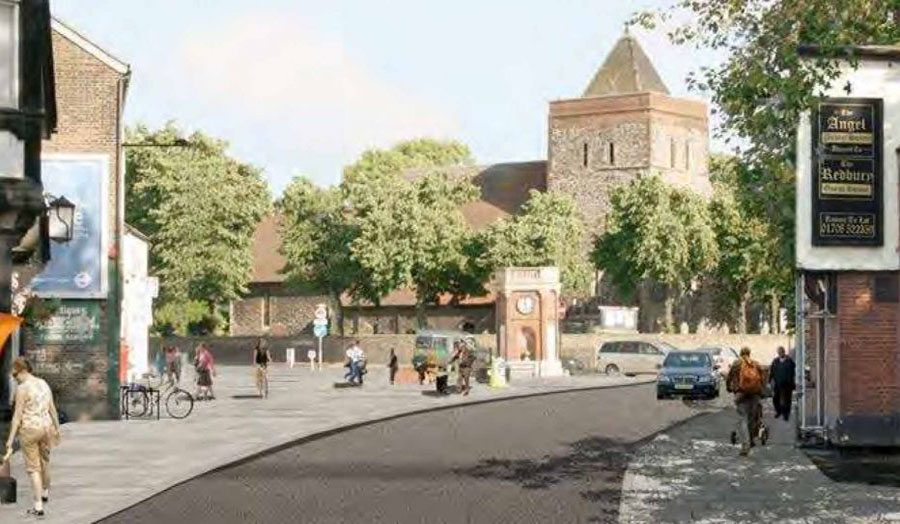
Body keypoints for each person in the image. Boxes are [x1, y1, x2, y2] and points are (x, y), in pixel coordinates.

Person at [4, 358, 60, 518]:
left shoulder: (23, 388)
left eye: (15, 375)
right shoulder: (43, 383)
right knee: (45, 461)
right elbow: (52, 408)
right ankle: (45, 491)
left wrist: (10, 439)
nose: (15, 378)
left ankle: (38, 506)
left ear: (21, 371)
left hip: (30, 430)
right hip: (46, 427)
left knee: (33, 468)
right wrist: (57, 428)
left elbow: (17, 416)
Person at [726, 347, 765, 457]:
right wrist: (762, 390)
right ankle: (751, 440)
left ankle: (745, 446)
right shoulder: (755, 364)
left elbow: (729, 377)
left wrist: (729, 387)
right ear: (749, 353)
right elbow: (762, 378)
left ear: (740, 354)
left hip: (741, 394)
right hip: (755, 394)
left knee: (743, 418)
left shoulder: (736, 364)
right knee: (752, 418)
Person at [769, 346, 796, 421]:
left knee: (787, 400)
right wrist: (769, 380)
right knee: (775, 398)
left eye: (781, 352)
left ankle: (786, 414)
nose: (780, 354)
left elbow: (792, 372)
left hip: (787, 384)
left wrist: (791, 382)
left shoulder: (789, 361)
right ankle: (778, 411)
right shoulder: (775, 361)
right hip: (777, 383)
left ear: (784, 352)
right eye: (779, 352)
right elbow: (772, 371)